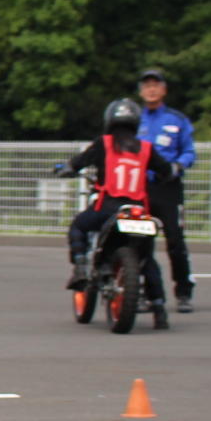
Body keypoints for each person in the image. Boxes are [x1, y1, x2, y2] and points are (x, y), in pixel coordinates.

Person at [53, 97, 164, 304]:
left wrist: (65, 168)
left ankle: (81, 267)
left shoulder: (103, 144)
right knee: (146, 256)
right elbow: (166, 171)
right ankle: (159, 306)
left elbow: (77, 164)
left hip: (108, 207)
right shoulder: (147, 149)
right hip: (138, 211)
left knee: (78, 227)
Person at [135, 66, 196, 312]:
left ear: (163, 90)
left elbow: (189, 151)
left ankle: (183, 292)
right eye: (146, 85)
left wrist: (178, 166)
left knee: (175, 241)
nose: (151, 90)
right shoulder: (133, 119)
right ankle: (144, 293)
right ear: (141, 91)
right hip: (139, 187)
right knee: (138, 241)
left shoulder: (176, 119)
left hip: (168, 187)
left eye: (155, 85)